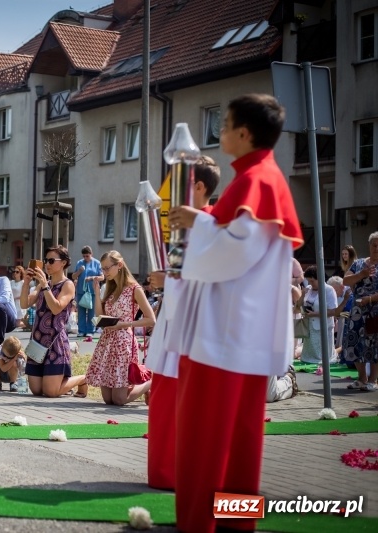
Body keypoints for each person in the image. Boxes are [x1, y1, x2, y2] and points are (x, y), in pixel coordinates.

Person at [165, 94, 303, 533]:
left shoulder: (255, 181)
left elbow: (233, 253)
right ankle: (236, 524)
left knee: (204, 439)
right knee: (241, 442)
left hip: (222, 334)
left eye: (224, 124)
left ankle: (198, 525)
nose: (220, 131)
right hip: (244, 334)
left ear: (244, 133)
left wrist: (197, 222)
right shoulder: (263, 178)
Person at [145, 155, 220, 490]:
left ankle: (180, 473)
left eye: (182, 185)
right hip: (174, 324)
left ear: (199, 187)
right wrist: (165, 279)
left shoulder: (212, 225)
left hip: (193, 329)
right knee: (164, 401)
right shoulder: (184, 227)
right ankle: (164, 471)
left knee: (184, 404)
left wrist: (169, 279)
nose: (174, 194)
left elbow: (213, 278)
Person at [86, 251, 156, 405]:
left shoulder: (134, 289)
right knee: (108, 399)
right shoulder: (110, 288)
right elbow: (99, 315)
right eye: (102, 269)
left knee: (119, 399)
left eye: (107, 268)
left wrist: (125, 324)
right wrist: (96, 292)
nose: (105, 272)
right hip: (107, 342)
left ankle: (150, 382)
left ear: (119, 265)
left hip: (124, 342)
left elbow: (151, 319)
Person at [21, 245, 87, 398]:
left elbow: (56, 308)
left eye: (51, 261)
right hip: (38, 340)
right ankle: (61, 384)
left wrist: (45, 286)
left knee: (51, 392)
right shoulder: (43, 284)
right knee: (36, 390)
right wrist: (26, 283)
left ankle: (83, 379)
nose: (47, 264)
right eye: (46, 261)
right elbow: (25, 304)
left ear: (63, 263)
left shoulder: (67, 285)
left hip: (55, 341)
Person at [342, 231, 378, 391]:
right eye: (374, 245)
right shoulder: (359, 263)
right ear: (369, 246)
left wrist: (369, 299)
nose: (376, 248)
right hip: (357, 310)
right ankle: (362, 378)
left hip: (375, 310)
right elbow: (345, 280)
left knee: (374, 345)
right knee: (353, 342)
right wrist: (362, 274)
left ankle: (373, 380)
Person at [298, 266, 338, 364]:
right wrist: (302, 295)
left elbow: (333, 311)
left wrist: (315, 314)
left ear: (319, 278)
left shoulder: (329, 290)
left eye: (312, 281)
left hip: (323, 326)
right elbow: (298, 306)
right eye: (308, 281)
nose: (310, 283)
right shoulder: (308, 289)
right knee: (308, 355)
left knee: (323, 354)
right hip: (309, 326)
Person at [73, 246, 103, 341]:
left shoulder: (97, 263)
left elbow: (102, 277)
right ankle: (81, 330)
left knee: (91, 312)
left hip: (92, 291)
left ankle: (90, 330)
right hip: (81, 291)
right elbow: (73, 276)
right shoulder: (79, 263)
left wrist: (92, 278)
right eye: (84, 256)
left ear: (91, 254)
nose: (85, 258)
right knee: (81, 311)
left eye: (87, 256)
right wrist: (79, 271)